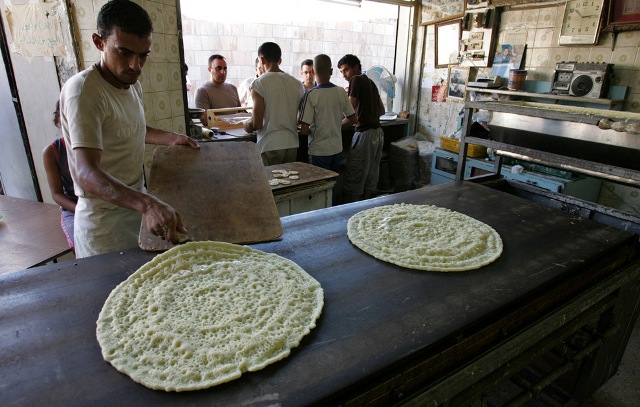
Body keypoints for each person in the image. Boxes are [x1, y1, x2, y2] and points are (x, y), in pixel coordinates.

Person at [60, 0, 200, 258]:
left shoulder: (130, 83)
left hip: (135, 209)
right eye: (124, 52)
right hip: (104, 225)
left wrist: (172, 138)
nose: (135, 65)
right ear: (99, 42)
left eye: (143, 55)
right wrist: (147, 204)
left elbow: (130, 128)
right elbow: (85, 173)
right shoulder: (83, 91)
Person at [243, 42, 304, 166]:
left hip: (270, 145)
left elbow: (257, 123)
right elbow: (300, 118)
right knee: (289, 182)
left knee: (271, 183)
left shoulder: (259, 84)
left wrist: (247, 124)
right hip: (292, 144)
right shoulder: (297, 84)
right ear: (279, 60)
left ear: (261, 59)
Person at [337, 54, 385, 203]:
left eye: (346, 70)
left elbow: (349, 110)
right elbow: (382, 110)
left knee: (354, 174)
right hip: (378, 133)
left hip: (365, 134)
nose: (345, 75)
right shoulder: (370, 82)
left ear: (356, 67)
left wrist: (335, 123)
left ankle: (348, 210)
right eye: (342, 72)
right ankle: (365, 206)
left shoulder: (356, 80)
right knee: (371, 174)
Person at [298, 54, 356, 174]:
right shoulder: (340, 91)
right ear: (331, 71)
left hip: (318, 151)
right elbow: (352, 118)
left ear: (313, 71)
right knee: (333, 183)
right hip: (337, 149)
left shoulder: (310, 95)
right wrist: (335, 126)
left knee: (320, 186)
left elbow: (304, 130)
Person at [43, 101, 77, 249]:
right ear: (59, 121)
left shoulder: (103, 145)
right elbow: (57, 194)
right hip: (74, 209)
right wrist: (80, 210)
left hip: (104, 206)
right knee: (83, 242)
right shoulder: (52, 152)